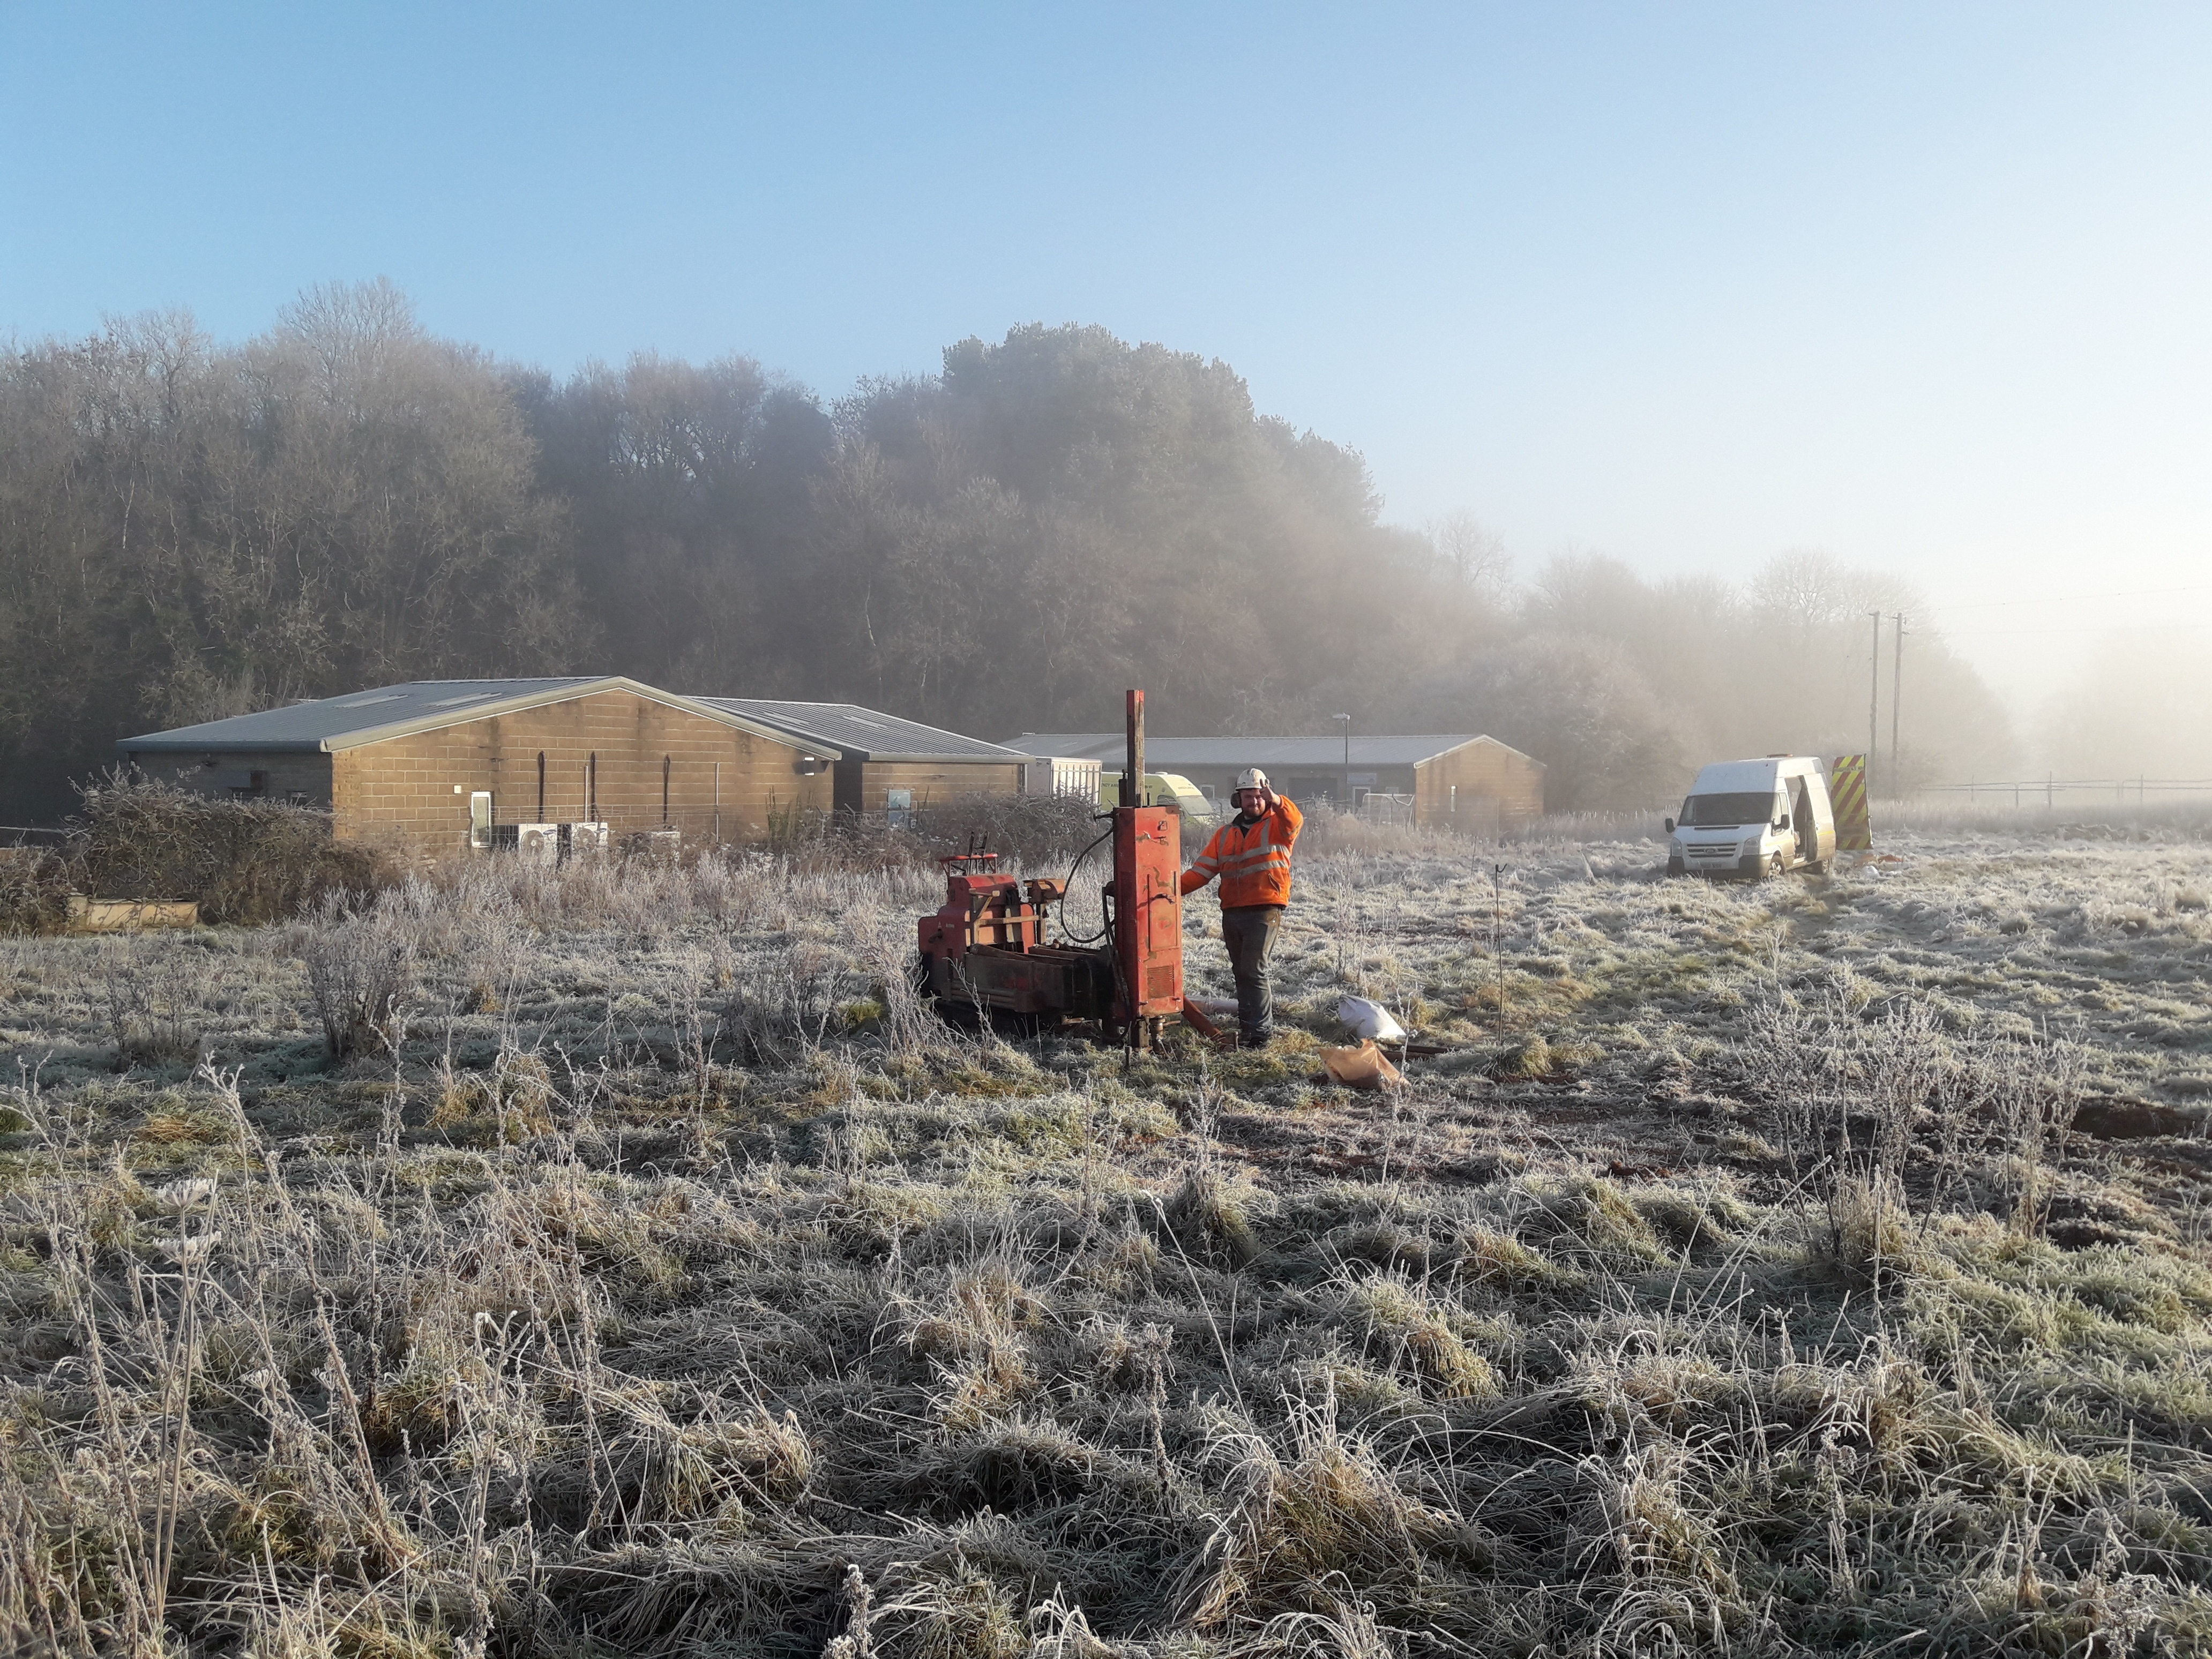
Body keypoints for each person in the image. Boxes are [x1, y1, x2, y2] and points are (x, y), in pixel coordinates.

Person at [1182, 768, 1303, 1047]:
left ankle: (1260, 1035)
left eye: (1260, 796)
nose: (1255, 801)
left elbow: (1295, 820)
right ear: (1239, 799)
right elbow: (1201, 872)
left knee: (1253, 970)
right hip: (1233, 911)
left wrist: (1278, 801)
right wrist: (1167, 890)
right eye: (1249, 796)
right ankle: (1249, 1029)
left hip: (1265, 909)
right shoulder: (1225, 835)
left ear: (1267, 796)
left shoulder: (1278, 826)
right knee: (1241, 970)